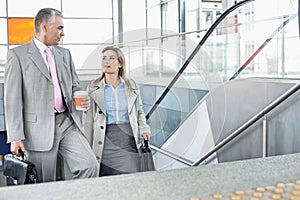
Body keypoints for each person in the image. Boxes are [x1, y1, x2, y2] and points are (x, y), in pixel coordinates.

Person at [4, 8, 99, 182]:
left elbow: (74, 85)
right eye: (59, 28)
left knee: (89, 165)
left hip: (67, 122)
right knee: (44, 181)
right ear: (44, 27)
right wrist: (15, 137)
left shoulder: (65, 54)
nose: (63, 33)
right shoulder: (17, 55)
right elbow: (12, 100)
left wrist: (80, 98)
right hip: (37, 129)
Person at [82, 46, 151, 176]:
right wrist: (86, 148)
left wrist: (144, 128)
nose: (106, 61)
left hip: (127, 139)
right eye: (104, 58)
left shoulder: (132, 86)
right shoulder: (93, 87)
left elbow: (139, 111)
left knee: (129, 177)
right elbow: (88, 120)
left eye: (111, 58)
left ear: (120, 63)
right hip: (103, 140)